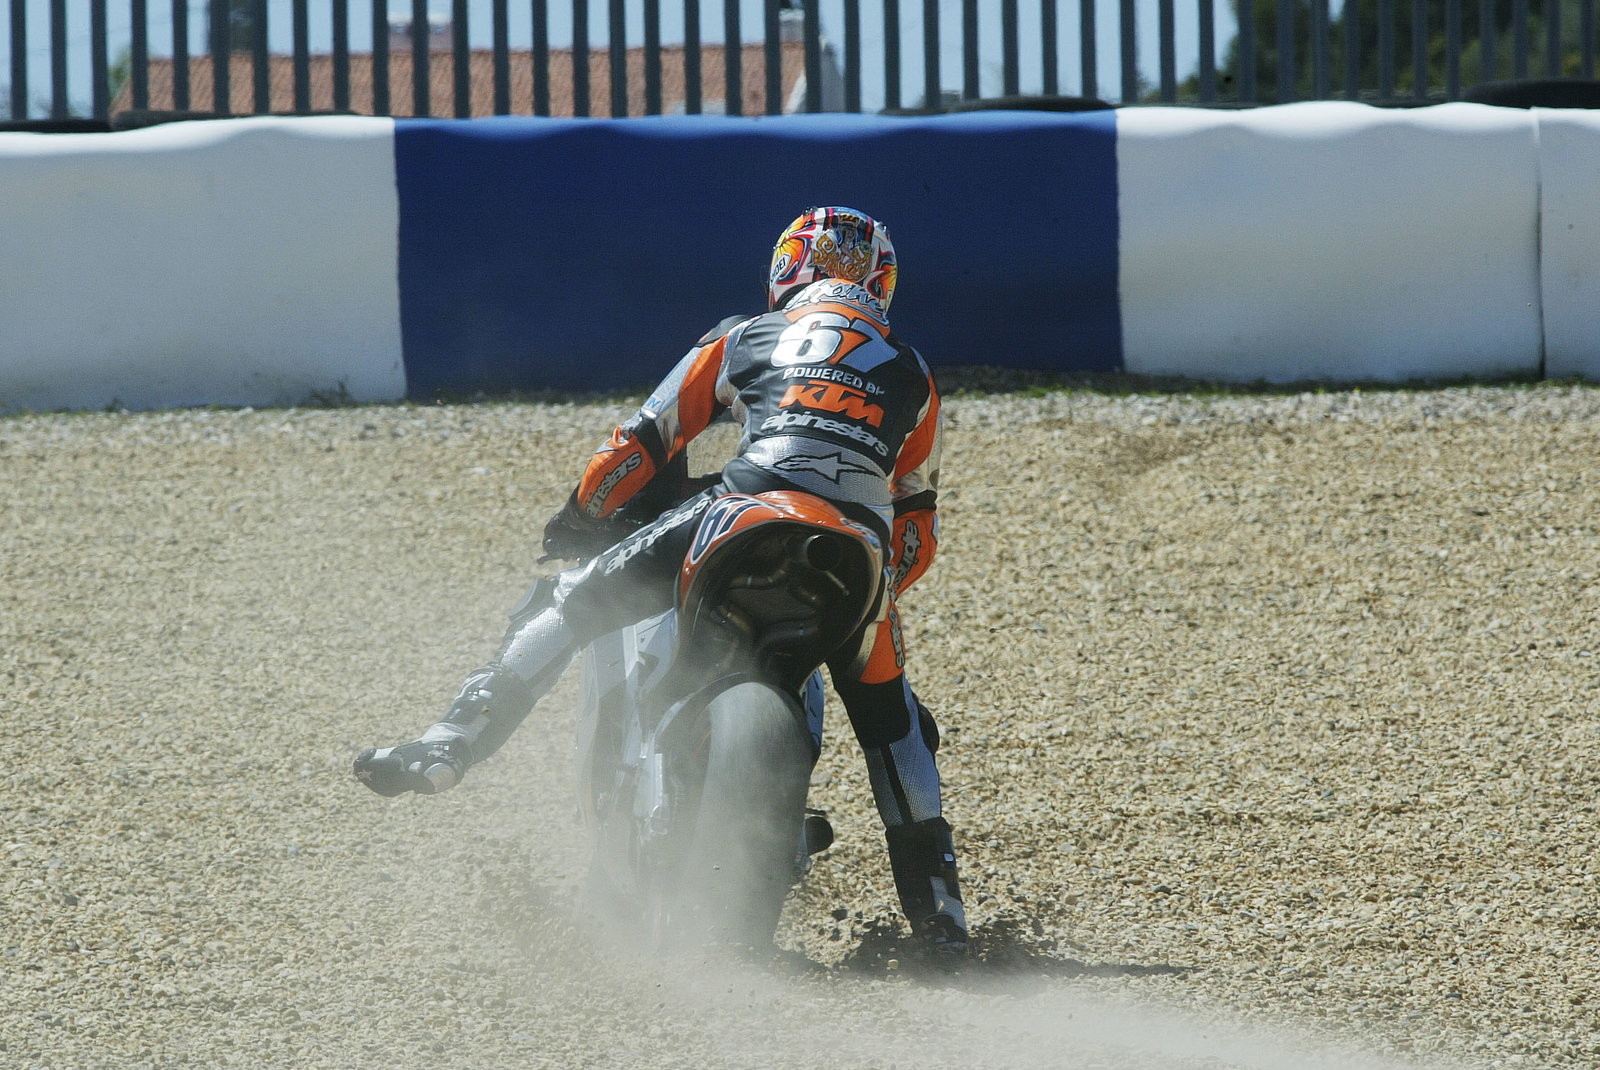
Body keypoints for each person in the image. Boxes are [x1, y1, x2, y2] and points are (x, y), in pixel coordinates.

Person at [354, 206, 967, 957]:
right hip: (857, 556)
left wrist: (581, 516)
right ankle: (942, 921)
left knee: (571, 603)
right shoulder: (916, 371)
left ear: (787, 269)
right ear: (883, 283)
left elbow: (640, 444)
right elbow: (917, 532)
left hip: (744, 511)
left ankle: (450, 742)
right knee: (893, 724)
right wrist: (877, 603)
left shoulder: (744, 335)